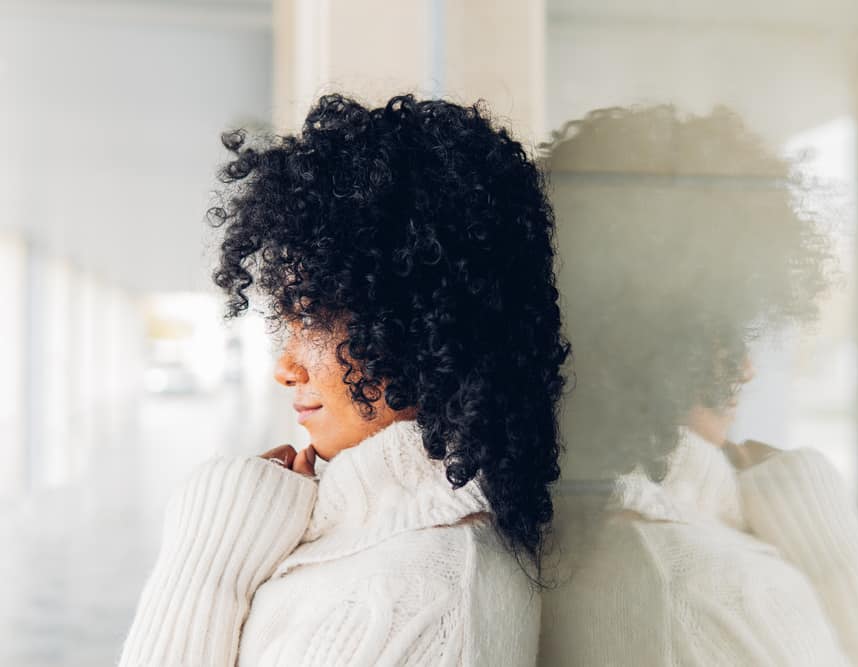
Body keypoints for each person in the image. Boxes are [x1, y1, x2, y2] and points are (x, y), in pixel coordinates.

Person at [117, 93, 571, 666]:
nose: (285, 368)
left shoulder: (416, 596)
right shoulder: (379, 544)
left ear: (417, 321)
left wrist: (208, 566)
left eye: (309, 317)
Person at [536, 104, 858, 665]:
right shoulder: (713, 588)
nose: (747, 368)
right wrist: (833, 548)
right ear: (659, 335)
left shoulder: (544, 539)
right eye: (725, 331)